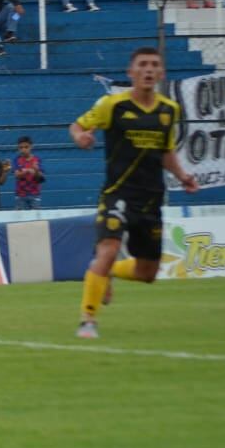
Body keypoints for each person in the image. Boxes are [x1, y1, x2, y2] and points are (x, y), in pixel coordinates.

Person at [71, 47, 198, 338]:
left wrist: (182, 176)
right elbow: (77, 125)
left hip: (151, 198)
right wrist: (81, 137)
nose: (148, 69)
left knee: (148, 273)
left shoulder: (169, 110)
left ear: (161, 73)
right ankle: (88, 321)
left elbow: (166, 151)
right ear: (131, 72)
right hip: (117, 194)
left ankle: (110, 272)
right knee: (108, 249)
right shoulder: (111, 105)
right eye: (142, 65)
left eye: (154, 65)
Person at [12, 135, 44, 208]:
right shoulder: (16, 160)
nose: (23, 150)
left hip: (35, 194)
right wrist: (27, 171)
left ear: (31, 147)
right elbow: (16, 175)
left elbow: (41, 177)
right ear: (18, 148)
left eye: (26, 147)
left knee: (36, 216)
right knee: (20, 217)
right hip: (20, 194)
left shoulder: (37, 160)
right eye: (21, 147)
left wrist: (36, 170)